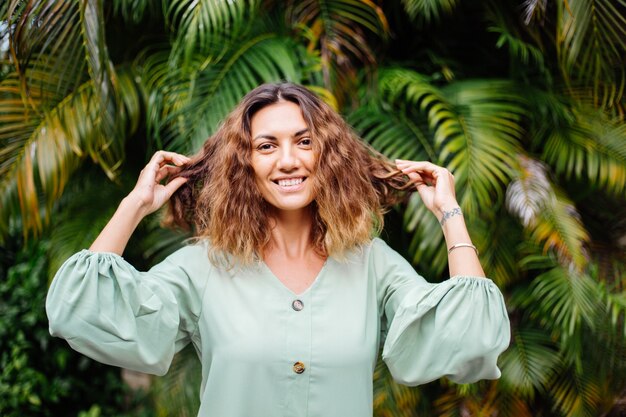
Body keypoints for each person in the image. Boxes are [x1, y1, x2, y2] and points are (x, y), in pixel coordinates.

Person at [46, 82, 510, 417]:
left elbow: (471, 336)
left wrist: (450, 213)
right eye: (266, 146)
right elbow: (80, 306)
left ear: (327, 156)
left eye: (304, 142)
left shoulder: (372, 264)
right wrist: (134, 205)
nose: (288, 160)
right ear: (244, 163)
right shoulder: (202, 266)